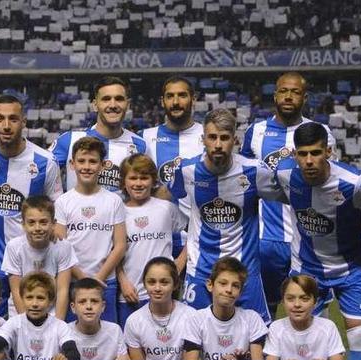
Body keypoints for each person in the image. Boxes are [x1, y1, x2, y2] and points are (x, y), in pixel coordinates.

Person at [266, 122, 361, 360]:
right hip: (308, 268)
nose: (309, 160)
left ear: (328, 152)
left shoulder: (354, 182)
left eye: (315, 152)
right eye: (302, 154)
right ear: (295, 155)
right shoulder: (284, 175)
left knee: (360, 336)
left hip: (352, 269)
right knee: (307, 339)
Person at [167, 108, 277, 323]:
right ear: (203, 139)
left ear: (235, 140)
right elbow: (170, 198)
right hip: (200, 271)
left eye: (224, 138)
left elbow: (288, 198)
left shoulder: (255, 172)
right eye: (213, 137)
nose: (218, 144)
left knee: (256, 340)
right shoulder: (186, 170)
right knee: (193, 338)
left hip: (244, 273)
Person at [241, 72, 336, 316]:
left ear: (304, 98)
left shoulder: (321, 131)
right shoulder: (256, 132)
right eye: (284, 91)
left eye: (295, 92)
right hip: (265, 241)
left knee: (313, 312)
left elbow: (330, 183)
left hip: (308, 240)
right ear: (275, 96)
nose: (288, 96)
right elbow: (244, 181)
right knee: (263, 314)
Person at [0, 94, 63, 316]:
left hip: (31, 266)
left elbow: (58, 204)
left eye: (13, 119)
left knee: (31, 333)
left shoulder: (45, 162)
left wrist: (58, 223)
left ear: (23, 122)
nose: (5, 125)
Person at [53, 137, 126, 323]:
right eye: (81, 161)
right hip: (72, 281)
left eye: (93, 161)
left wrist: (98, 279)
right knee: (72, 338)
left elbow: (120, 245)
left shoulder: (114, 201)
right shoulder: (63, 202)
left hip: (105, 283)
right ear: (72, 164)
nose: (87, 166)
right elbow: (61, 248)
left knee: (107, 336)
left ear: (102, 165)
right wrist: (83, 278)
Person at [116, 154, 186, 327]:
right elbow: (110, 251)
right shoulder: (117, 211)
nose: (138, 183)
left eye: (144, 178)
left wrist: (179, 262)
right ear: (124, 182)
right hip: (130, 293)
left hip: (164, 293)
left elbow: (195, 232)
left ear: (153, 180)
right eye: (133, 178)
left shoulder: (166, 208)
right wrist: (122, 281)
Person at [140, 76, 204, 259]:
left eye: (182, 95)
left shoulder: (209, 136)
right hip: (156, 237)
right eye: (170, 96)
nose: (176, 102)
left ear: (193, 99)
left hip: (200, 237)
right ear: (163, 101)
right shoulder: (145, 138)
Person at [50, 76, 147, 192]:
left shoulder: (141, 145)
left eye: (119, 99)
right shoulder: (69, 140)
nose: (113, 105)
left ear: (128, 104)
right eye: (106, 99)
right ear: (95, 105)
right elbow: (43, 172)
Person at [2, 195, 78, 320]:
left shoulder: (63, 247)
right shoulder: (14, 247)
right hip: (20, 314)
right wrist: (25, 324)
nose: (37, 228)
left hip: (51, 313)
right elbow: (16, 291)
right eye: (31, 222)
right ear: (23, 224)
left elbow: (62, 291)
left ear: (53, 224)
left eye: (43, 222)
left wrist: (57, 325)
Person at [182, 257, 268, 360]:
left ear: (241, 291)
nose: (228, 290)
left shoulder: (252, 319)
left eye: (235, 286)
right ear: (210, 285)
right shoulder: (196, 320)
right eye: (223, 283)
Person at [0, 272, 79, 360]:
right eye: (29, 297)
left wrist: (65, 357)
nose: (34, 304)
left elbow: (73, 353)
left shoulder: (60, 326)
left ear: (50, 301)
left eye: (40, 298)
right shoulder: (14, 323)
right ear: (22, 298)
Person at [125, 257, 196, 360]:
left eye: (164, 282)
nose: (157, 288)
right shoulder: (134, 321)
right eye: (151, 282)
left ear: (175, 284)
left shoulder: (191, 317)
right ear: (144, 284)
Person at [264, 275, 346, 360]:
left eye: (305, 299)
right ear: (283, 301)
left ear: (315, 302)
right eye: (290, 299)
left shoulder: (328, 327)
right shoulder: (276, 327)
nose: (297, 304)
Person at [67, 278, 129, 360]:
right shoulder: (65, 332)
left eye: (94, 301)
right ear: (73, 307)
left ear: (103, 306)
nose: (89, 306)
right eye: (82, 301)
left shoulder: (115, 331)